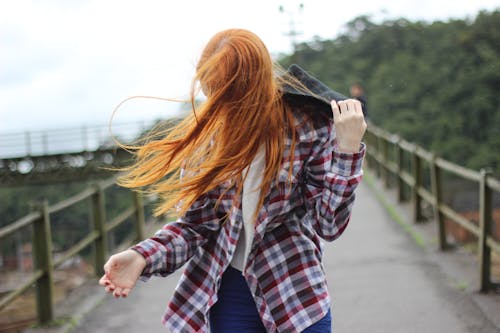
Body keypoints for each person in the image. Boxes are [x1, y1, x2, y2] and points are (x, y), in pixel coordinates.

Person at [99, 28, 366, 333]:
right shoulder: (209, 141)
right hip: (230, 295)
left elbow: (328, 225)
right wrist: (141, 257)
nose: (224, 108)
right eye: (216, 95)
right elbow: (195, 226)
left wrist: (347, 151)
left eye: (233, 95)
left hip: (295, 290)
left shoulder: (307, 127)